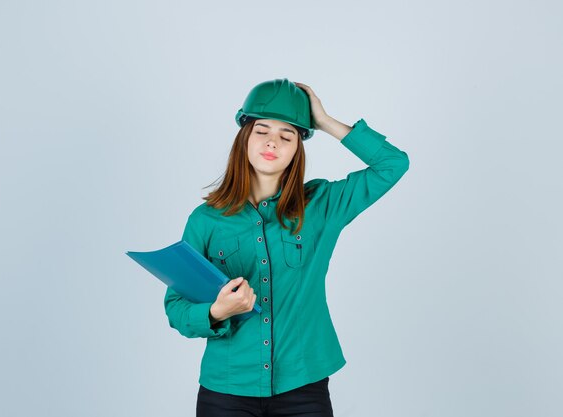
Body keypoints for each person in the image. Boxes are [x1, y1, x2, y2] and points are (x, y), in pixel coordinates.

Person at [163, 78, 410, 417]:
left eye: (287, 135)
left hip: (303, 388)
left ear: (299, 146)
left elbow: (393, 165)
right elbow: (176, 307)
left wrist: (322, 121)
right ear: (244, 136)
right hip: (226, 390)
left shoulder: (321, 206)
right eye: (262, 130)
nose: (272, 142)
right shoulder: (206, 220)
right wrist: (217, 311)